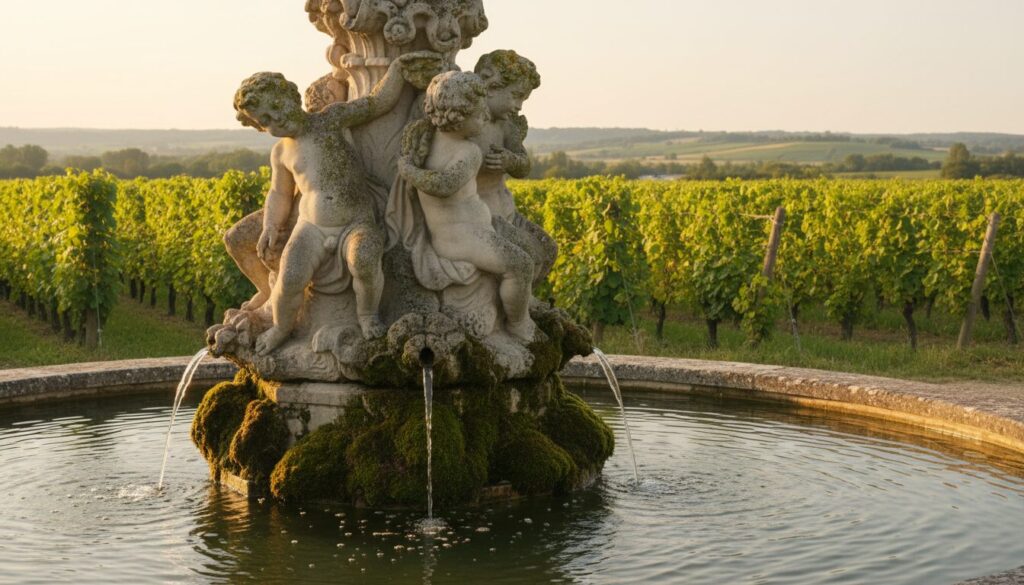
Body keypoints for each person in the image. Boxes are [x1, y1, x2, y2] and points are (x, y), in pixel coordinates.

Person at [233, 51, 444, 354]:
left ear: (290, 95)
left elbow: (375, 103)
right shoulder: (282, 152)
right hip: (312, 228)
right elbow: (279, 193)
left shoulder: (330, 119)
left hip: (355, 223)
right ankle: (281, 327)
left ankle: (367, 314)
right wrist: (271, 224)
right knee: (290, 279)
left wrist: (396, 70)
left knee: (365, 259)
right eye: (265, 120)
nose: (275, 119)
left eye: (276, 107)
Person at [397, 71, 537, 341]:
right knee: (520, 265)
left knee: (529, 247)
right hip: (463, 239)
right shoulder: (469, 152)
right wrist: (409, 172)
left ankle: (526, 305)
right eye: (479, 113)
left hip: (475, 230)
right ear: (458, 116)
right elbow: (444, 184)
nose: (486, 118)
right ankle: (518, 323)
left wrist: (410, 169)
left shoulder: (431, 141)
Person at [472, 50, 556, 288]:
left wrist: (510, 161)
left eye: (523, 100)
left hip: (507, 211)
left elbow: (524, 164)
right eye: (516, 96)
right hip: (484, 216)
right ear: (490, 85)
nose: (519, 106)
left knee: (548, 250)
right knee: (532, 255)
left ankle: (524, 303)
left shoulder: (507, 126)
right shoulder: (468, 124)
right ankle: (511, 310)